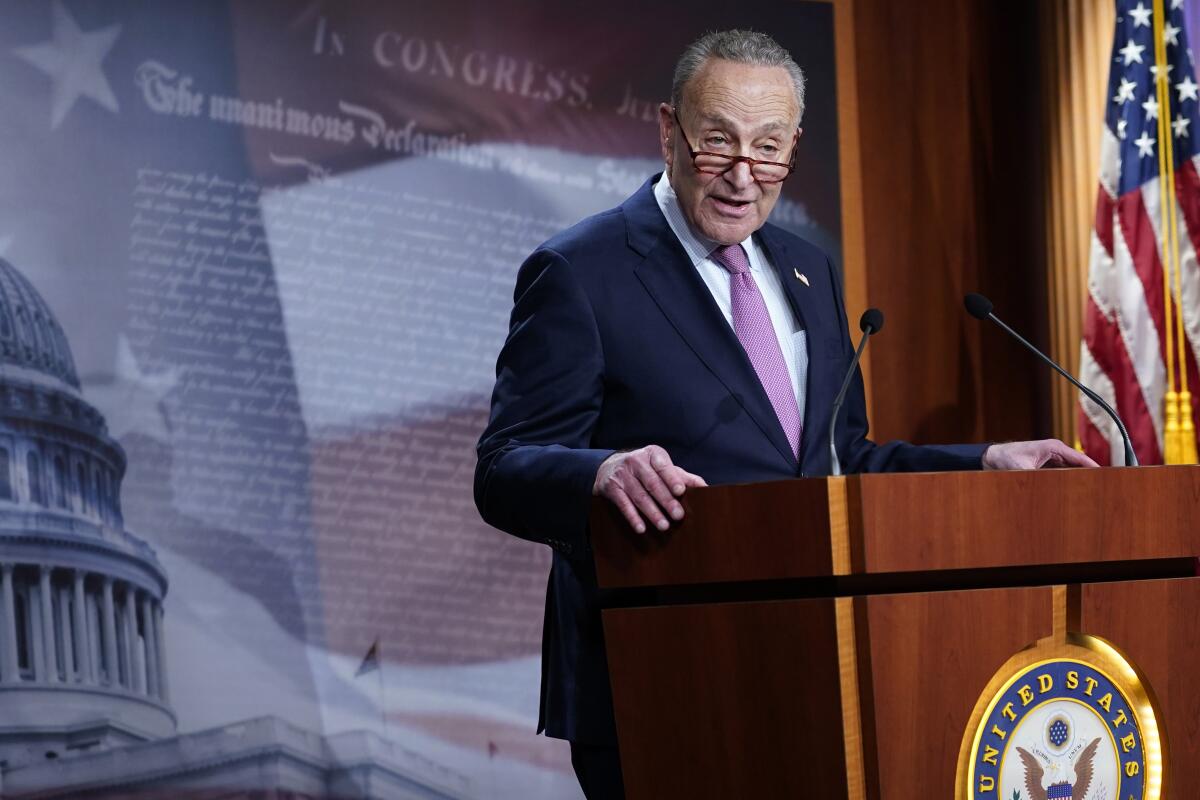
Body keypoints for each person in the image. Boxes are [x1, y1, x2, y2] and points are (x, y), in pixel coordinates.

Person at [474, 29, 1095, 799]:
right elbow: (502, 468)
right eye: (717, 145)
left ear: (794, 144)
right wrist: (599, 471)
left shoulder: (806, 265)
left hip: (809, 669)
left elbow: (840, 463)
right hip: (656, 675)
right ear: (668, 130)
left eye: (769, 149)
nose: (743, 176)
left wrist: (985, 461)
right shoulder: (580, 270)